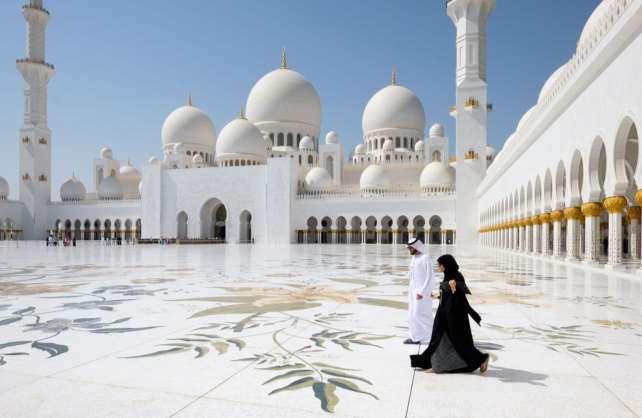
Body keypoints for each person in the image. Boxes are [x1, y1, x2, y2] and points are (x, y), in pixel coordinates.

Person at [410, 254, 489, 373]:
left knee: (459, 342)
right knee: (438, 340)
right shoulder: (449, 276)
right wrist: (438, 295)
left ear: (446, 265)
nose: (438, 267)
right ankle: (434, 364)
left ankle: (481, 359)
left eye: (439, 265)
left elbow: (459, 293)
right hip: (445, 314)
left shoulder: (456, 277)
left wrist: (454, 285)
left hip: (452, 316)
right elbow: (449, 294)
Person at [404, 238, 435, 345]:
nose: (409, 250)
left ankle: (433, 336)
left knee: (421, 315)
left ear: (416, 247)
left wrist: (422, 292)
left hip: (422, 293)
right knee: (412, 314)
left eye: (410, 248)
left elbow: (429, 277)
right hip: (413, 291)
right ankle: (415, 337)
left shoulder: (425, 258)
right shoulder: (414, 258)